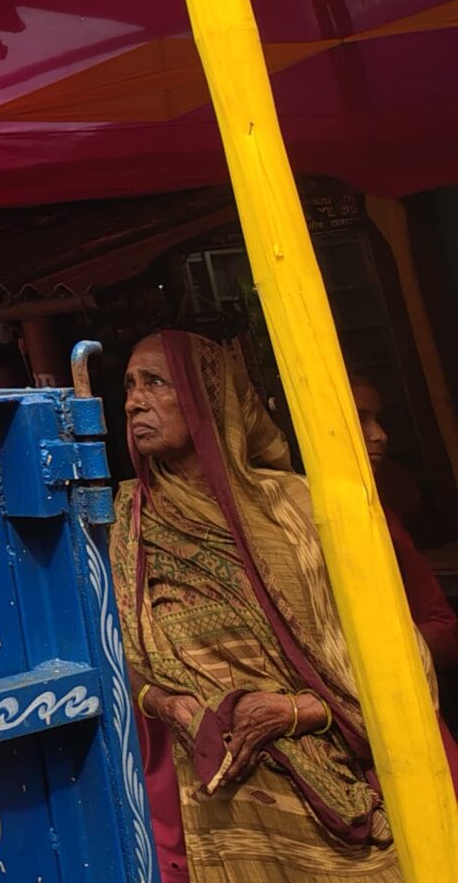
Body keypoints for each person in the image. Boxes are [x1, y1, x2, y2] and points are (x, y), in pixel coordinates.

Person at [114, 330, 425, 878]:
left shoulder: (295, 509)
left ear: (208, 396)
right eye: (129, 386)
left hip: (330, 783)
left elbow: (390, 652)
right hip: (216, 805)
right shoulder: (127, 524)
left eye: (156, 383)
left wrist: (296, 711)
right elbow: (118, 650)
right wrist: (164, 703)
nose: (135, 400)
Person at [351, 374, 458, 676]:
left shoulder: (382, 506)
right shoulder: (288, 516)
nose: (380, 435)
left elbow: (443, 626)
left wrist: (392, 648)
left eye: (378, 420)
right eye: (360, 419)